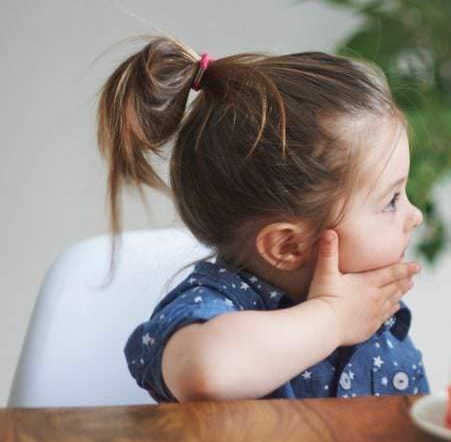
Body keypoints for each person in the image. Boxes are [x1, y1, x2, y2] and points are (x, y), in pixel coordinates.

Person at [100, 37, 429, 401]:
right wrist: (332, 319)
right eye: (392, 200)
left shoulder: (376, 320)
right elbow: (207, 370)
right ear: (287, 245)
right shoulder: (216, 305)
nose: (415, 216)